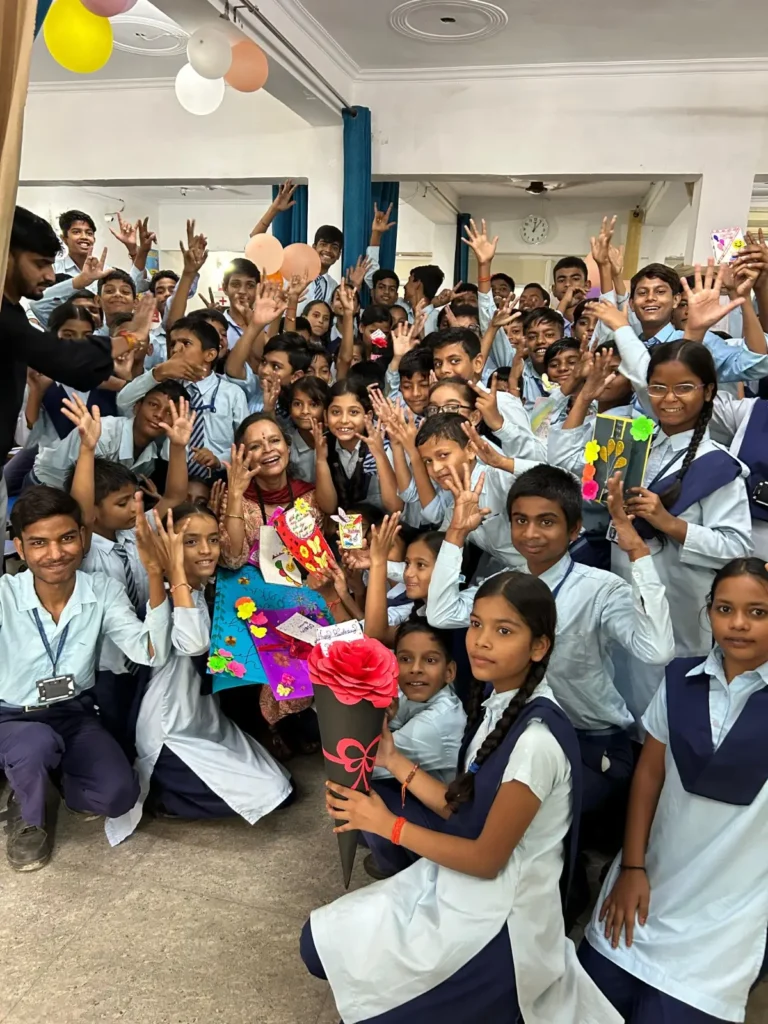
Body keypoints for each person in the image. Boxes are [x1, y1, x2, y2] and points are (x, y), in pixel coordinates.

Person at [300, 572, 621, 1024]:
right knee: (318, 947)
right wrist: (391, 759)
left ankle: (496, 993)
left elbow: (487, 860)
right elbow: (460, 805)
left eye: (503, 630)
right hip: (458, 885)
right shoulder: (498, 706)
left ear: (539, 647)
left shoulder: (535, 742)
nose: (481, 641)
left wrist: (386, 825)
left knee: (366, 996)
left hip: (503, 919)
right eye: (475, 625)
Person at [581, 557, 768, 1024]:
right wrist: (631, 867)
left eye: (758, 612)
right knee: (583, 1006)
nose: (738, 624)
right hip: (647, 888)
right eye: (724, 609)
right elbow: (648, 777)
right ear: (708, 613)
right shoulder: (680, 681)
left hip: (729, 918)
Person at [549, 340, 752, 719]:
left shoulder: (719, 467)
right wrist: (586, 395)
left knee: (662, 697)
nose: (668, 399)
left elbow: (736, 548)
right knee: (621, 681)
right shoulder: (634, 434)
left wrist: (669, 523)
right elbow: (563, 462)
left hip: (679, 599)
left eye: (684, 387)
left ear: (708, 391)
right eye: (658, 387)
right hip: (623, 584)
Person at [0, 486, 172, 871]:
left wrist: (155, 573)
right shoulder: (5, 596)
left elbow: (152, 651)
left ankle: (43, 780)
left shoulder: (101, 591)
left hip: (72, 712)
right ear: (20, 547)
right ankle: (27, 818)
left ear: (83, 537)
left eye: (65, 538)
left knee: (118, 795)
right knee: (35, 744)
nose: (55, 553)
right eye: (38, 543)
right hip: (10, 715)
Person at [106, 503, 292, 843]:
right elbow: (192, 643)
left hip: (204, 720)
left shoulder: (209, 588)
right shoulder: (161, 591)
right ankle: (167, 798)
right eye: (190, 542)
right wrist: (175, 572)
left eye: (211, 539)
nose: (206, 550)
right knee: (270, 793)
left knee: (283, 786)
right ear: (169, 548)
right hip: (170, 729)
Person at [65, 395, 192, 755]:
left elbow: (176, 496)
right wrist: (87, 451)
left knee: (139, 722)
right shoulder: (84, 547)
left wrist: (178, 447)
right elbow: (78, 511)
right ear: (95, 512)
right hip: (106, 664)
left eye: (135, 498)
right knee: (113, 726)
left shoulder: (135, 531)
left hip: (145, 651)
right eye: (122, 503)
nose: (135, 507)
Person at [217, 415, 322, 755]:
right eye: (256, 445)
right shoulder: (236, 499)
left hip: (302, 590)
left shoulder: (309, 496)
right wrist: (234, 494)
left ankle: (294, 720)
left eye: (274, 441)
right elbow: (231, 559)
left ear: (288, 446)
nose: (268, 450)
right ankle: (270, 723)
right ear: (243, 455)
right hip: (250, 596)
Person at [1, 207, 124, 487]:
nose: (47, 276)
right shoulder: (9, 321)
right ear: (6, 257)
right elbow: (64, 359)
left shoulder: (11, 315)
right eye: (40, 264)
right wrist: (127, 341)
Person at [118, 317, 248, 478]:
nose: (176, 349)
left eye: (186, 343)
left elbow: (245, 441)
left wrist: (219, 460)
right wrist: (158, 373)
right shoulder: (162, 383)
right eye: (173, 344)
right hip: (167, 471)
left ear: (210, 355)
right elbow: (122, 401)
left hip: (218, 474)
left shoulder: (232, 393)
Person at [313, 380, 401, 513]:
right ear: (325, 416)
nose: (344, 420)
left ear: (369, 416)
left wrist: (379, 454)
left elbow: (395, 507)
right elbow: (328, 507)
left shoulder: (384, 442)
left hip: (379, 525)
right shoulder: (323, 443)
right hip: (342, 526)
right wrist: (321, 459)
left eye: (353, 412)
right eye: (336, 412)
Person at [286, 375, 328, 483]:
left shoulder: (336, 441)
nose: (304, 411)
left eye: (313, 405)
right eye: (297, 404)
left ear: (326, 409)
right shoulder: (287, 445)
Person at [298, 225, 343, 308]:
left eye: (334, 247)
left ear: (339, 255)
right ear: (314, 248)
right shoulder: (294, 274)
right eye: (323, 244)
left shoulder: (334, 286)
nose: (328, 250)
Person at [221, 257, 260, 349]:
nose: (242, 291)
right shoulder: (218, 326)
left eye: (250, 285)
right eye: (235, 285)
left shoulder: (266, 326)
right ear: (225, 288)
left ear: (258, 289)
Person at [552, 256, 590, 327]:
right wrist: (565, 301)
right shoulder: (543, 323)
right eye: (561, 280)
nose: (568, 284)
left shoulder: (598, 321)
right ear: (553, 289)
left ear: (587, 285)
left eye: (575, 279)